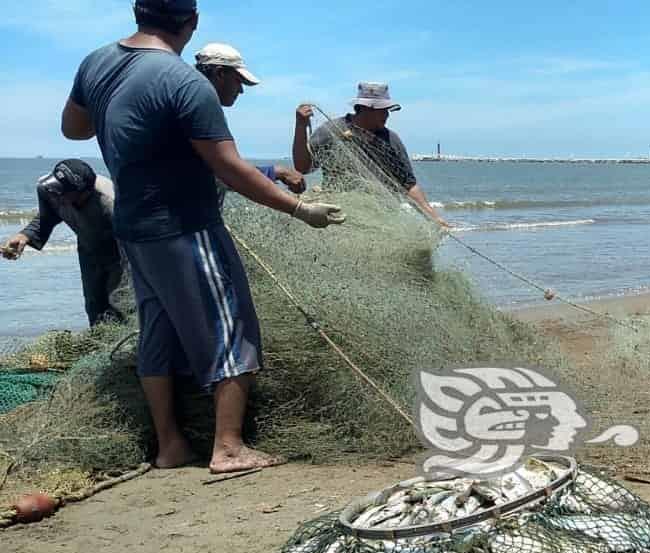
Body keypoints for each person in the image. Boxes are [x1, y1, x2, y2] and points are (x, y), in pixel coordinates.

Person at [62, 0, 346, 474]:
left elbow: (74, 128)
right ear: (191, 24)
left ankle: (170, 446)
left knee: (158, 331)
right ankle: (229, 448)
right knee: (232, 324)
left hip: (133, 227)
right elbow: (228, 167)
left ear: (138, 13)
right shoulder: (183, 82)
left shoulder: (96, 62)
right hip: (185, 227)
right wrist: (300, 209)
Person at [292, 83, 449, 227]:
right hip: (340, 213)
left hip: (382, 216)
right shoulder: (331, 130)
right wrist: (300, 126)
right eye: (382, 110)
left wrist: (434, 217)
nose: (387, 115)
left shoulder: (391, 140)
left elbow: (408, 185)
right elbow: (303, 167)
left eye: (387, 110)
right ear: (364, 108)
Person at [2, 159, 131, 326]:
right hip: (88, 248)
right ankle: (100, 342)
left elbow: (133, 243)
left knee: (121, 302)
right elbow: (47, 217)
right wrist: (24, 236)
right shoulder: (47, 188)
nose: (55, 194)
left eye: (61, 192)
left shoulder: (110, 202)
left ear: (84, 193)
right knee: (94, 305)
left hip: (120, 251)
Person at [193, 42, 307, 203]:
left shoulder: (192, 103)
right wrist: (277, 173)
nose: (241, 90)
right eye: (238, 81)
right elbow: (226, 173)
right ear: (220, 74)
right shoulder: (200, 110)